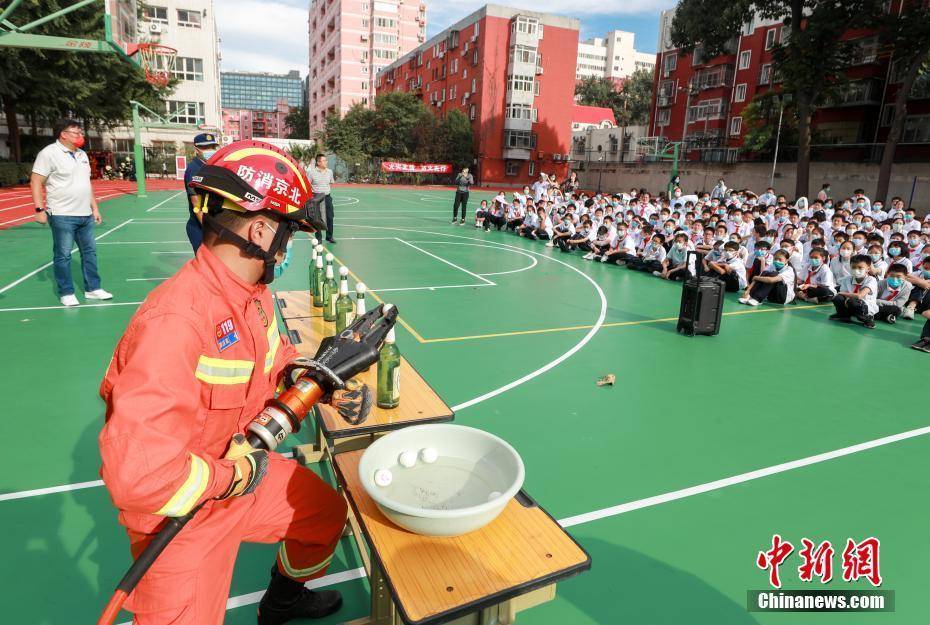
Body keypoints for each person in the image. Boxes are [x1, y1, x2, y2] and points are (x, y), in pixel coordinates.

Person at [98, 141, 348, 625]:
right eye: (289, 231)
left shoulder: (251, 295)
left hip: (241, 473)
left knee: (323, 514)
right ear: (260, 229)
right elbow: (140, 476)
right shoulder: (176, 321)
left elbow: (275, 358)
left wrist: (307, 372)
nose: (289, 245)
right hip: (182, 517)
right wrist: (233, 477)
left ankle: (282, 602)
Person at [31, 119, 112, 307]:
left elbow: (86, 184)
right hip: (61, 214)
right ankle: (66, 292)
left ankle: (93, 288)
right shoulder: (49, 153)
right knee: (63, 254)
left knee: (90, 252)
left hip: (85, 214)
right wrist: (39, 209)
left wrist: (95, 207)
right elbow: (36, 181)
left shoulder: (82, 154)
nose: (80, 136)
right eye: (76, 133)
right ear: (63, 134)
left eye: (80, 132)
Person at [183, 132, 220, 252]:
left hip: (213, 224)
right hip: (200, 227)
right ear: (197, 149)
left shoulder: (211, 167)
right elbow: (196, 203)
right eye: (205, 147)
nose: (210, 150)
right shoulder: (194, 170)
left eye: (212, 147)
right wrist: (208, 229)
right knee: (205, 264)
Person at [830, 255, 878, 328]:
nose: (856, 270)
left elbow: (859, 295)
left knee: (852, 300)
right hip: (850, 303)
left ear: (868, 269)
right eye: (853, 267)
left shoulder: (871, 280)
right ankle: (843, 315)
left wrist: (842, 293)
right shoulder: (847, 279)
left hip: (866, 306)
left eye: (860, 268)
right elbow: (844, 295)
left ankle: (866, 318)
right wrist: (842, 295)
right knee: (838, 298)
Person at [308, 154, 337, 243]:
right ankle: (319, 238)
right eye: (324, 161)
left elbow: (331, 182)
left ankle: (329, 236)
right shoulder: (311, 172)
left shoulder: (330, 172)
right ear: (318, 162)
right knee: (317, 219)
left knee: (330, 217)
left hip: (327, 197)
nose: (326, 162)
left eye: (326, 160)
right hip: (316, 198)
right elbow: (307, 185)